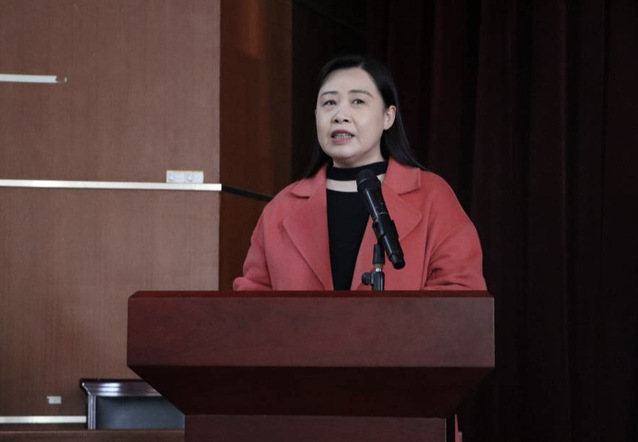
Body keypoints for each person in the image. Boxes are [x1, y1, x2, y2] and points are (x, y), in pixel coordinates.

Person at [233, 55, 486, 292]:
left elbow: (460, 293)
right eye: (329, 103)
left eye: (358, 101)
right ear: (316, 116)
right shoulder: (281, 208)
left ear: (388, 117)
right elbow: (252, 305)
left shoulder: (432, 196)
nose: (340, 116)